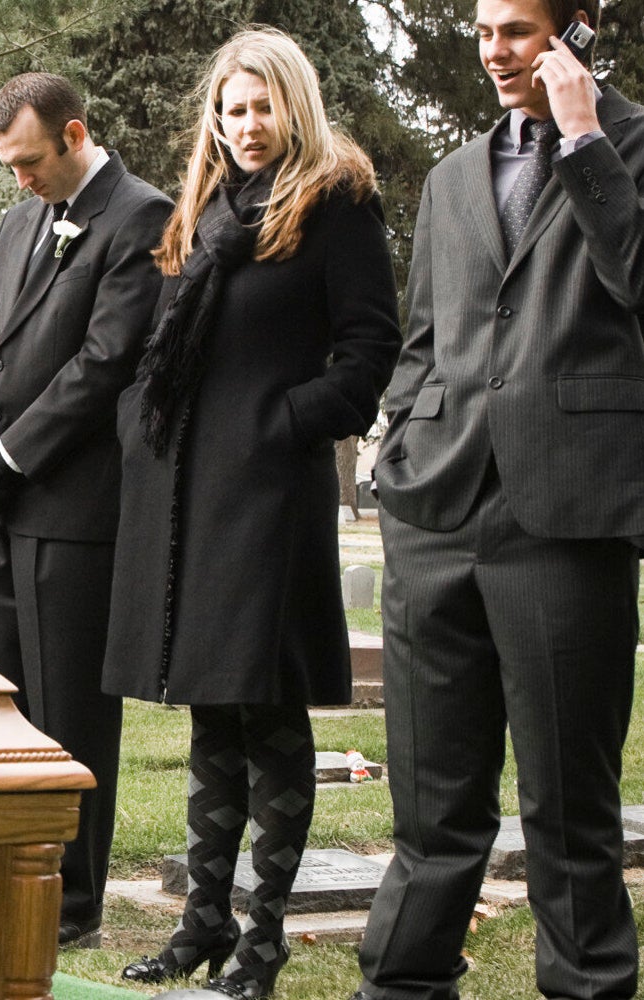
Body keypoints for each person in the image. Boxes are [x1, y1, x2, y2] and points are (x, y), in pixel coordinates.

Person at [101, 29, 398, 999]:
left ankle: (261, 942)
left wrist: (280, 424)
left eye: (263, 105)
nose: (247, 124)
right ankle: (201, 926)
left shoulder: (335, 205)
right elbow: (162, 344)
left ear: (294, 104)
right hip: (188, 498)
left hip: (267, 497)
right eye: (232, 109)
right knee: (211, 715)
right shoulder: (206, 209)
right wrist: (140, 429)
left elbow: (368, 353)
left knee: (267, 716)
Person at [357, 2, 642, 998]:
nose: (492, 51)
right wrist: (396, 447)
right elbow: (424, 335)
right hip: (433, 511)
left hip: (566, 517)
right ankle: (400, 985)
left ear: (574, 32)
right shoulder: (449, 177)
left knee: (566, 812)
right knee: (430, 811)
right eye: (483, 31)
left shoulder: (630, 148)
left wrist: (585, 141)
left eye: (516, 30)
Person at [0, 72, 171, 948]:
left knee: (67, 716)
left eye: (30, 160)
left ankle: (70, 906)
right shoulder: (16, 224)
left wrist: (10, 457)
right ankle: (1, 886)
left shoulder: (140, 217)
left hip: (69, 511)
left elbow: (104, 362)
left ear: (75, 134)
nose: (20, 178)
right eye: (9, 164)